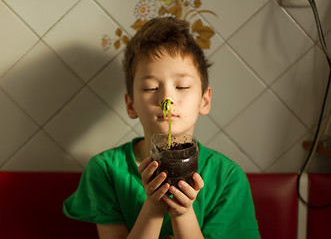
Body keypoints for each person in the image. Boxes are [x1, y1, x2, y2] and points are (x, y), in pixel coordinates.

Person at [63, 17, 260, 239]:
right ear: (131, 105)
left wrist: (183, 213)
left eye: (182, 86)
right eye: (150, 88)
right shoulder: (105, 170)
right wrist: (153, 207)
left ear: (204, 100)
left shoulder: (227, 178)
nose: (167, 97)